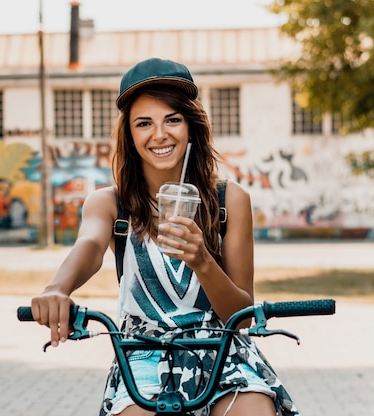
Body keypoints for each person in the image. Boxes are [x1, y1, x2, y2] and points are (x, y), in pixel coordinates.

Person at [30, 57, 298, 416]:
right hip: (141, 353)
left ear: (191, 126)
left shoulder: (228, 200)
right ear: (129, 134)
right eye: (144, 124)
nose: (160, 134)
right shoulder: (109, 203)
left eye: (172, 119)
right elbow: (90, 245)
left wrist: (202, 260)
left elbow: (242, 314)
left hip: (221, 351)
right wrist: (57, 288)